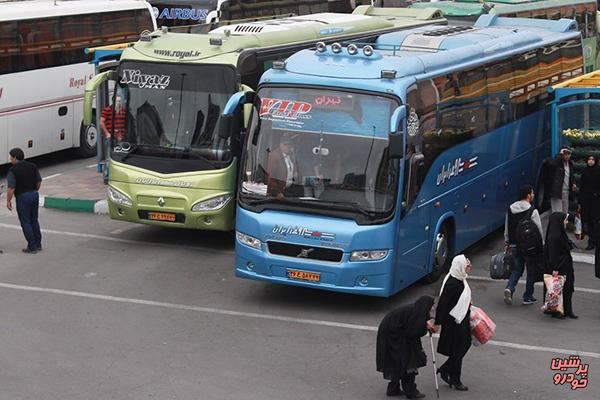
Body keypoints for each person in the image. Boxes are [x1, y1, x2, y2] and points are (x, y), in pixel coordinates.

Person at [376, 296, 436, 399]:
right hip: (394, 335)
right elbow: (413, 332)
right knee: (408, 361)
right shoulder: (416, 313)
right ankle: (411, 391)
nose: (432, 309)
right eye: (431, 307)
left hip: (392, 332)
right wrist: (425, 328)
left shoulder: (416, 310)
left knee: (398, 361)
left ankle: (393, 389)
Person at [435, 255, 472, 392]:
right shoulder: (453, 283)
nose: (469, 268)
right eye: (467, 266)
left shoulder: (460, 277)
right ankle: (455, 380)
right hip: (454, 322)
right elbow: (443, 303)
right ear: (460, 266)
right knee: (458, 349)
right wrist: (437, 322)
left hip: (461, 319)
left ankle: (445, 369)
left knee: (463, 346)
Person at [503, 184, 543, 305]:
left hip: (514, 244)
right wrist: (540, 245)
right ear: (528, 195)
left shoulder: (510, 208)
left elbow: (507, 227)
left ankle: (509, 288)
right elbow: (538, 229)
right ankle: (528, 296)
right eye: (532, 193)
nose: (533, 195)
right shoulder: (532, 210)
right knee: (530, 271)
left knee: (516, 269)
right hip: (529, 247)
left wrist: (507, 241)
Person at [5, 148, 42, 254]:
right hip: (34, 194)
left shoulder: (12, 170)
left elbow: (11, 188)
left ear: (15, 157)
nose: (10, 159)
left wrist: (8, 201)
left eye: (11, 157)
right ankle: (38, 244)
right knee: (34, 220)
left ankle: (32, 246)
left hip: (22, 197)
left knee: (25, 222)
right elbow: (39, 181)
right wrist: (34, 191)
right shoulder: (32, 166)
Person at [544, 212, 577, 319]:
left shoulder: (558, 233)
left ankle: (567, 310)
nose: (566, 222)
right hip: (559, 267)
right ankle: (558, 311)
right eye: (565, 220)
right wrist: (555, 268)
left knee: (566, 288)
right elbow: (553, 254)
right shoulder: (554, 236)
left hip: (565, 266)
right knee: (558, 290)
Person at [266, 132, 300, 198]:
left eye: (289, 145)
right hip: (280, 192)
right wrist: (277, 192)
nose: (288, 147)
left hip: (290, 189)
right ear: (280, 145)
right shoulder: (274, 156)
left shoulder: (291, 154)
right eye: (285, 145)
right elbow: (270, 177)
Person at [579, 155, 600, 250]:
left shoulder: (598, 171)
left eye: (592, 160)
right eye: (589, 159)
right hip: (586, 200)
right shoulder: (584, 171)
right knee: (587, 221)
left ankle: (595, 240)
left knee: (595, 221)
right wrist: (580, 201)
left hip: (596, 200)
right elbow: (582, 186)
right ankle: (591, 241)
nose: (591, 161)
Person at [547, 146, 576, 213]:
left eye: (569, 154)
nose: (567, 156)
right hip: (556, 192)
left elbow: (571, 176)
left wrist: (573, 183)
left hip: (566, 191)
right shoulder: (557, 162)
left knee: (565, 212)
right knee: (557, 212)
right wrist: (559, 155)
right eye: (565, 153)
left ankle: (564, 224)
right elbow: (552, 164)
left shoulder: (570, 164)